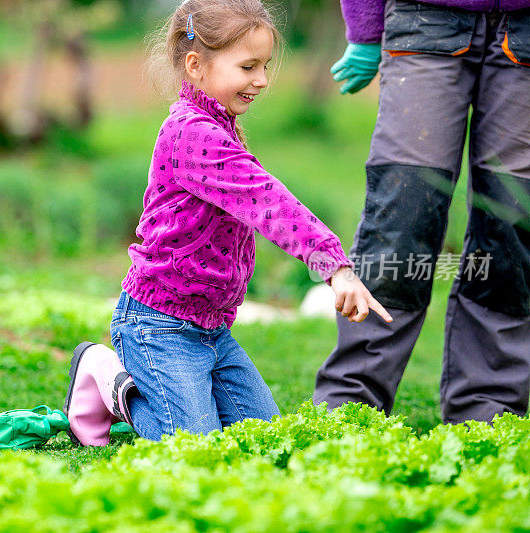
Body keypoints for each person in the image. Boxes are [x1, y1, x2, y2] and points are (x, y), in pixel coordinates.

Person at [63, 0, 392, 446]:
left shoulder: (221, 124)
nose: (260, 80)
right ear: (196, 66)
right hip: (158, 326)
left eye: (265, 66)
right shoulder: (191, 132)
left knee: (267, 442)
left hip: (213, 329)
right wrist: (334, 265)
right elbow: (266, 200)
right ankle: (109, 381)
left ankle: (184, 397)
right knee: (195, 450)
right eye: (248, 67)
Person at [315, 0, 530, 423]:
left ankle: (489, 409)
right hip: (425, 19)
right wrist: (364, 27)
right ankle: (352, 402)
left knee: (513, 219)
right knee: (403, 211)